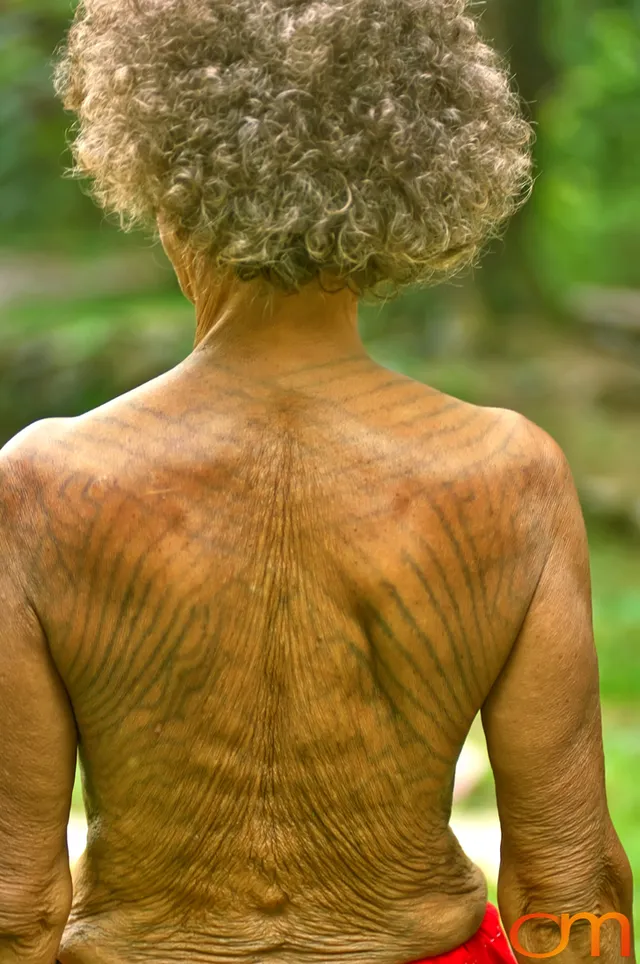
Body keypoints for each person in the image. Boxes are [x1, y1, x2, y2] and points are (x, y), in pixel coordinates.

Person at [0, 1, 633, 962]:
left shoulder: (42, 485)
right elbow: (570, 882)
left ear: (165, 192)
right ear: (407, 195)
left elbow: (16, 903)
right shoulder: (509, 478)